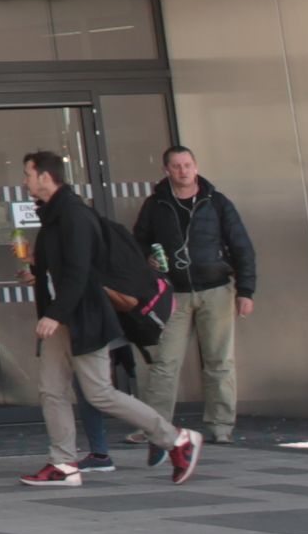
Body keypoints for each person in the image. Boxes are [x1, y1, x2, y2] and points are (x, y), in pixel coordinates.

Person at [19, 151, 193, 488]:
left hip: (85, 317)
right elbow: (63, 266)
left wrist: (55, 314)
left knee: (99, 393)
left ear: (44, 177)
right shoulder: (54, 215)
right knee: (51, 390)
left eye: (28, 174)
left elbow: (81, 271)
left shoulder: (72, 215)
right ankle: (64, 463)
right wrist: (35, 274)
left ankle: (176, 439)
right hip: (66, 315)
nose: (24, 181)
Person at [132, 143, 256, 451]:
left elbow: (242, 246)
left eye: (187, 165)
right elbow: (138, 243)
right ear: (166, 170)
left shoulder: (216, 202)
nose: (183, 171)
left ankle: (221, 426)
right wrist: (148, 258)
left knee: (219, 360)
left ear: (196, 166)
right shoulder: (156, 204)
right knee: (165, 362)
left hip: (216, 289)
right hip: (175, 293)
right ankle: (154, 428)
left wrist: (246, 291)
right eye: (176, 166)